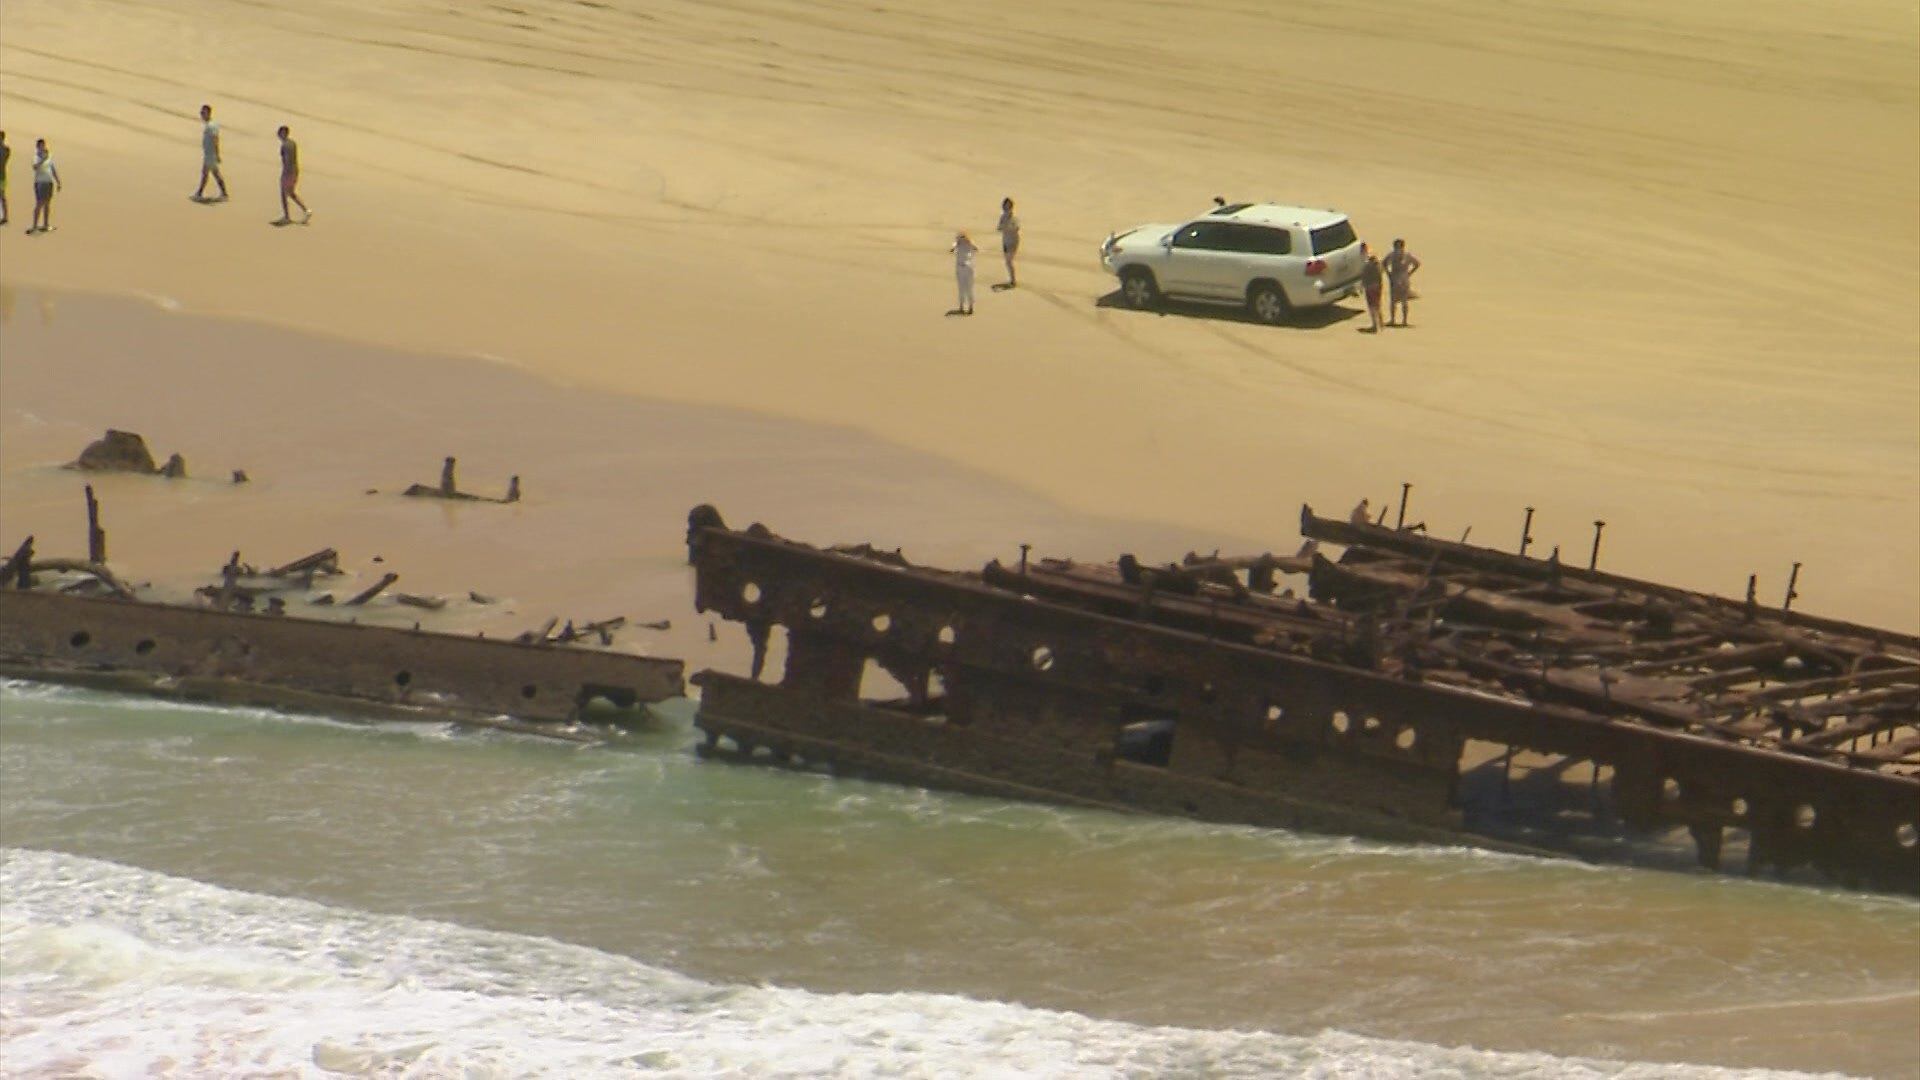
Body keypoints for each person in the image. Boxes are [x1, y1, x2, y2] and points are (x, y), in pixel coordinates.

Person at [1382, 238, 1421, 326]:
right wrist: (1408, 273)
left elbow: (1384, 263)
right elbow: (1417, 264)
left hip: (1398, 278)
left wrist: (1389, 274)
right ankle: (1400, 320)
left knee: (1399, 300)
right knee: (1400, 300)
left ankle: (1398, 320)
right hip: (1400, 278)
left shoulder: (1395, 255)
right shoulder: (1404, 255)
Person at [276, 125, 310, 224]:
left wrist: (285, 174)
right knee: (291, 193)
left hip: (289, 172)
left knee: (284, 194)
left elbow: (288, 160)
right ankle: (306, 210)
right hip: (294, 171)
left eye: (280, 133)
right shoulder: (292, 143)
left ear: (283, 134)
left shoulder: (285, 145)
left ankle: (287, 217)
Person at [195, 104, 227, 201]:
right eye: (201, 113)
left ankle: (199, 192)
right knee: (214, 173)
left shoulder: (211, 126)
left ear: (208, 113)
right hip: (209, 153)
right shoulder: (211, 125)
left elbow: (215, 140)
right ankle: (224, 193)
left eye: (203, 113)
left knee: (206, 173)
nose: (201, 115)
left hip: (210, 154)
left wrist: (217, 154)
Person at [28, 139, 59, 234]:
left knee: (47, 203)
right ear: (37, 147)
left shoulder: (49, 156)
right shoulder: (36, 157)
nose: (42, 147)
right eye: (40, 146)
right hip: (40, 183)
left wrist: (58, 181)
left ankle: (46, 224)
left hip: (49, 182)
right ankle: (34, 226)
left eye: (43, 145)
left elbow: (53, 169)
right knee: (39, 203)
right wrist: (43, 160)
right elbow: (35, 167)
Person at [949, 231, 977, 315]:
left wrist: (968, 242)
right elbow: (952, 249)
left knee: (968, 287)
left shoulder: (970, 243)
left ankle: (970, 307)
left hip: (967, 267)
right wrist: (958, 244)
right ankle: (962, 306)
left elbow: (976, 248)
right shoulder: (957, 244)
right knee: (962, 287)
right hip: (961, 267)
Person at [995, 197, 1020, 288]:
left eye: (1008, 206)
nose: (1007, 208)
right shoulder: (1003, 217)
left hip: (1013, 241)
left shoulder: (1014, 218)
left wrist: (1007, 227)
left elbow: (1016, 228)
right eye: (1005, 206)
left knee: (1009, 261)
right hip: (1005, 241)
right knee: (1007, 262)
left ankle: (1013, 280)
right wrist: (1003, 227)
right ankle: (1012, 279)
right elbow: (999, 228)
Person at [1360, 253, 1384, 333]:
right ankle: (1381, 324)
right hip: (1377, 287)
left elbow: (1364, 278)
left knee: (1372, 307)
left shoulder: (1367, 267)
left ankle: (1375, 325)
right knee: (1378, 306)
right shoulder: (1379, 266)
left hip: (1369, 288)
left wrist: (1362, 287)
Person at [0, 131, 10, 226]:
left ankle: (5, 216)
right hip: (2, 175)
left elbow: (3, 161)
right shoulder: (6, 149)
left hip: (2, 176)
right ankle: (5, 216)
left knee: (2, 196)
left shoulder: (6, 149)